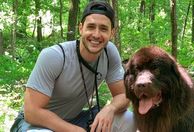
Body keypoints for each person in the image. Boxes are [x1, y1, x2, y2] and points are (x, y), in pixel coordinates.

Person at [10, 1, 136, 132]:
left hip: (75, 119)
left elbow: (124, 94)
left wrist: (110, 109)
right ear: (81, 28)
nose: (96, 35)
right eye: (91, 27)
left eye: (103, 28)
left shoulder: (109, 52)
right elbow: (32, 112)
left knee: (128, 119)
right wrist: (74, 130)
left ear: (112, 33)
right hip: (34, 125)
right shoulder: (55, 56)